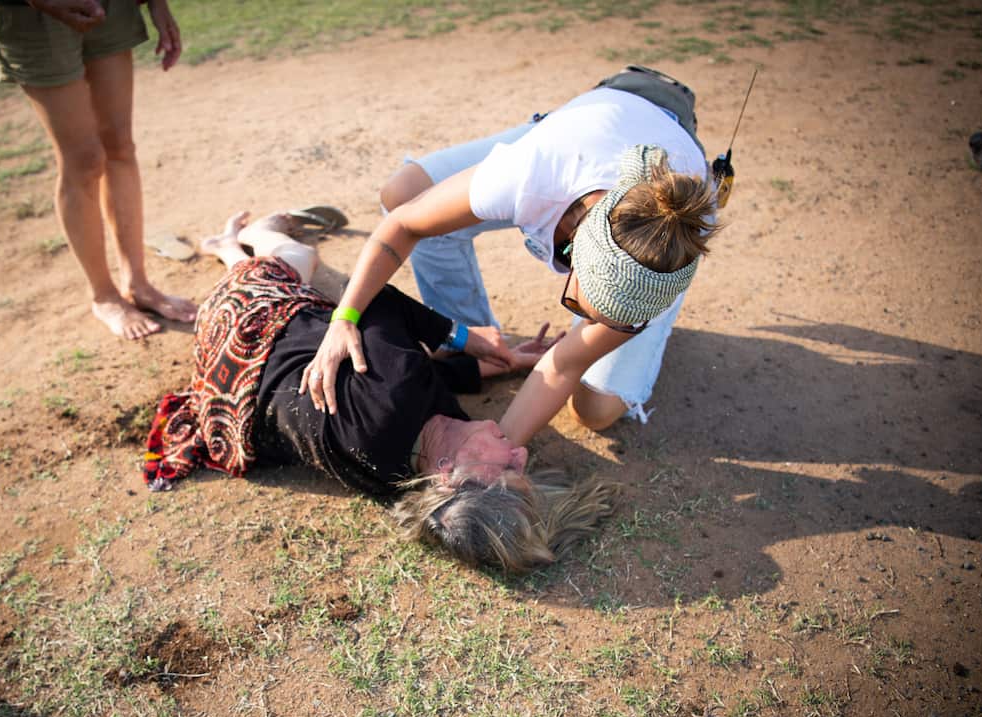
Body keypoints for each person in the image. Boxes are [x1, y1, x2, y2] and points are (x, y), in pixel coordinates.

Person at [142, 212, 615, 573]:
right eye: (522, 469)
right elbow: (425, 381)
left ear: (447, 475)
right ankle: (229, 249)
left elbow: (378, 300)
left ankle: (254, 237)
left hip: (245, 330)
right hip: (229, 407)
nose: (521, 456)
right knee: (342, 317)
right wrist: (500, 364)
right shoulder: (408, 470)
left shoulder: (398, 394)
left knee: (305, 265)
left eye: (506, 470)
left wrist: (469, 339)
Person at [300, 66, 721, 445]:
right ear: (573, 247)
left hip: (646, 158)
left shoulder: (661, 263)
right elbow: (405, 223)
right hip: (584, 124)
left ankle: (644, 335)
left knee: (594, 410)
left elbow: (562, 365)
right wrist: (345, 318)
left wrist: (496, 448)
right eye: (582, 304)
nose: (590, 323)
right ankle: (467, 333)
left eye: (609, 319)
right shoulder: (532, 175)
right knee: (403, 195)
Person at [0, 0, 198, 340]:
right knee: (83, 159)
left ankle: (137, 282)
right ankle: (104, 295)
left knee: (120, 146)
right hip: (31, 13)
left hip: (110, 6)